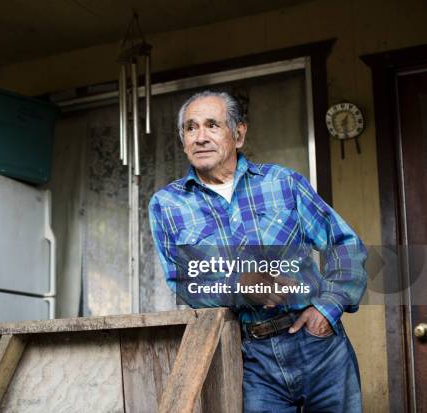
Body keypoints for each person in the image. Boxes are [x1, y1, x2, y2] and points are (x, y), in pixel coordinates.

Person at [148, 91, 367, 412]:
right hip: (249, 355)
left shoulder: (283, 183)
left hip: (318, 345)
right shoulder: (167, 205)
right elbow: (183, 283)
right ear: (182, 141)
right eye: (190, 128)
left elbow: (344, 244)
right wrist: (241, 287)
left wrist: (328, 307)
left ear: (238, 134)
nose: (200, 137)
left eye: (212, 125)